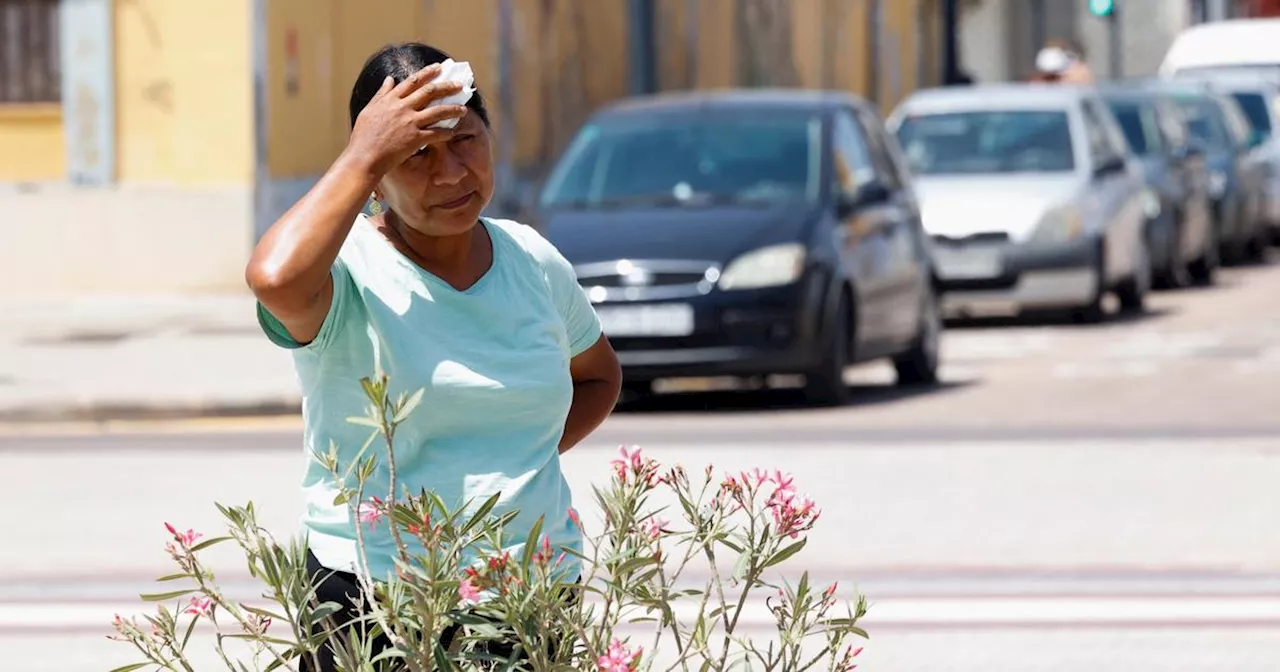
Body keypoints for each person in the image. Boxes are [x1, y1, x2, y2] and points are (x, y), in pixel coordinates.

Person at [245, 42, 622, 669]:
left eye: (464, 141)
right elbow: (274, 279)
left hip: (529, 594)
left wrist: (509, 457)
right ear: (376, 170)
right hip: (373, 599)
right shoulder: (343, 272)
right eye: (415, 154)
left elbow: (599, 376)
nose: (449, 173)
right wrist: (364, 154)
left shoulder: (531, 260)